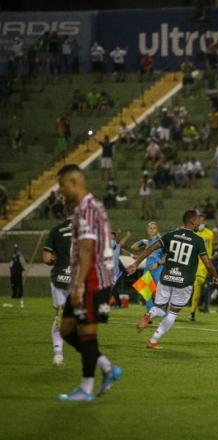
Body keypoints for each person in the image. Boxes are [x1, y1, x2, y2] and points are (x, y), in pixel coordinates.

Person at [55, 164, 121, 402]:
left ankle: (86, 389)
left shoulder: (87, 209)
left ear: (74, 183)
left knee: (86, 334)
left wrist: (79, 285)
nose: (62, 193)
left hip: (93, 280)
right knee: (66, 330)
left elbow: (87, 248)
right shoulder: (88, 207)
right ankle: (107, 368)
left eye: (63, 187)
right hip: (85, 278)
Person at [128, 210, 218, 349]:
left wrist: (135, 263)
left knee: (159, 307)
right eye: (197, 220)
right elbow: (207, 263)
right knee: (172, 312)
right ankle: (153, 340)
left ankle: (148, 315)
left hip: (166, 278)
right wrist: (215, 275)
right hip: (184, 281)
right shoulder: (197, 240)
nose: (199, 223)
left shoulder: (170, 235)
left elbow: (151, 248)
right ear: (192, 222)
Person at [42, 206, 73, 366]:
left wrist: (55, 259)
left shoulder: (56, 231)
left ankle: (58, 352)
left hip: (60, 278)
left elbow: (46, 258)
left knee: (59, 315)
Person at [130, 221, 164, 310]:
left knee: (160, 292)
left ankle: (165, 313)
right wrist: (143, 241)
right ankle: (149, 313)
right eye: (150, 228)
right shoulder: (147, 242)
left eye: (154, 228)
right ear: (147, 230)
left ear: (157, 230)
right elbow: (133, 247)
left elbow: (167, 255)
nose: (152, 230)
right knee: (146, 291)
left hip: (158, 268)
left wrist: (159, 263)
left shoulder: (161, 241)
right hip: (148, 267)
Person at [188, 213, 216, 321]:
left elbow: (209, 249)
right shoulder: (192, 233)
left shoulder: (209, 234)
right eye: (199, 221)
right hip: (191, 262)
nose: (201, 223)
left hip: (203, 264)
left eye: (203, 221)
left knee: (197, 284)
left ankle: (192, 312)